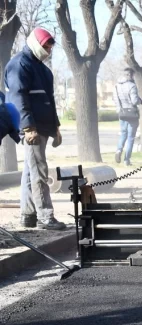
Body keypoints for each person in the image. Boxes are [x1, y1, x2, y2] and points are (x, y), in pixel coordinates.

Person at [5, 27, 65, 230]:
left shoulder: (43, 70)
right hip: (32, 128)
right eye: (46, 45)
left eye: (50, 46)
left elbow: (49, 100)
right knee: (39, 170)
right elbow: (18, 98)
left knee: (31, 172)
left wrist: (55, 126)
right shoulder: (19, 65)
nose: (48, 49)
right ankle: (45, 216)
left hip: (43, 126)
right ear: (35, 43)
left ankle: (28, 215)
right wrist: (28, 127)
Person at [113, 67, 142, 166]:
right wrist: (140, 101)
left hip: (121, 113)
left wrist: (119, 109)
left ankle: (118, 150)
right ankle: (126, 160)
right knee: (131, 137)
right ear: (130, 75)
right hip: (131, 114)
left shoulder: (116, 86)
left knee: (123, 134)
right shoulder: (132, 86)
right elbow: (135, 101)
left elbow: (115, 99)